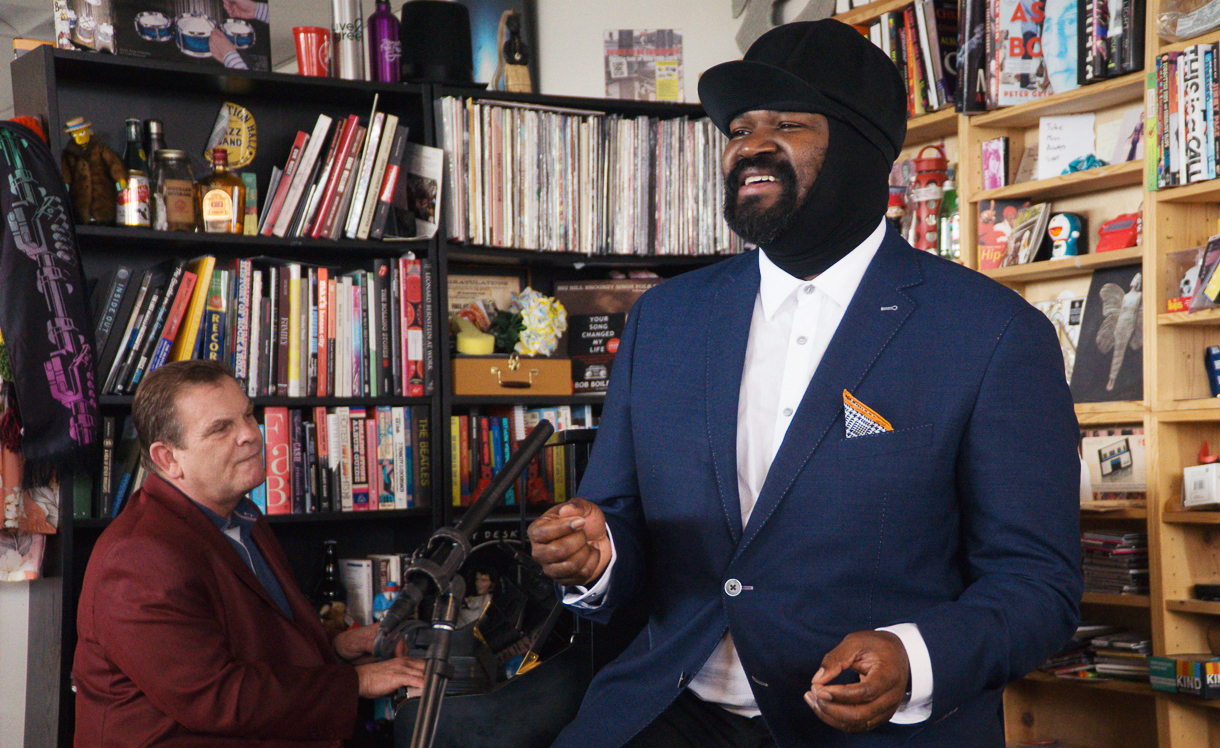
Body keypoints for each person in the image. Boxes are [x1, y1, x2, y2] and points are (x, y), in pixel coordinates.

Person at [528, 19, 1081, 748]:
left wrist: (912, 659)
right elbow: (619, 518)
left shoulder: (992, 333)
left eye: (785, 123)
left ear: (861, 149)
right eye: (737, 128)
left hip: (867, 730)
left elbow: (1036, 586)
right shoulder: (666, 319)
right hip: (669, 709)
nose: (750, 145)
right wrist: (597, 558)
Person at [72, 360, 425, 747]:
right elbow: (216, 697)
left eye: (247, 415)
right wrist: (357, 680)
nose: (250, 435)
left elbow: (250, 637)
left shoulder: (240, 512)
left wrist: (337, 648)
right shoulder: (137, 557)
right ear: (168, 458)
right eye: (221, 428)